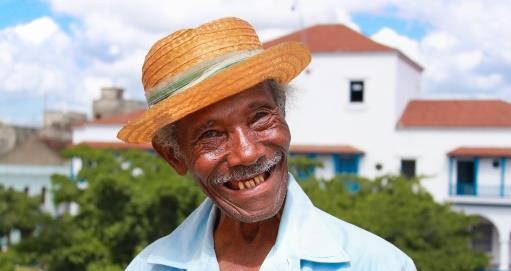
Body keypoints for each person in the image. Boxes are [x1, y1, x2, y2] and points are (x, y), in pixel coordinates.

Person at [119, 17, 416, 271]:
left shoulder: (377, 264)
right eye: (210, 135)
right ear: (174, 155)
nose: (247, 153)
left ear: (282, 112)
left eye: (260, 117)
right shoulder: (148, 266)